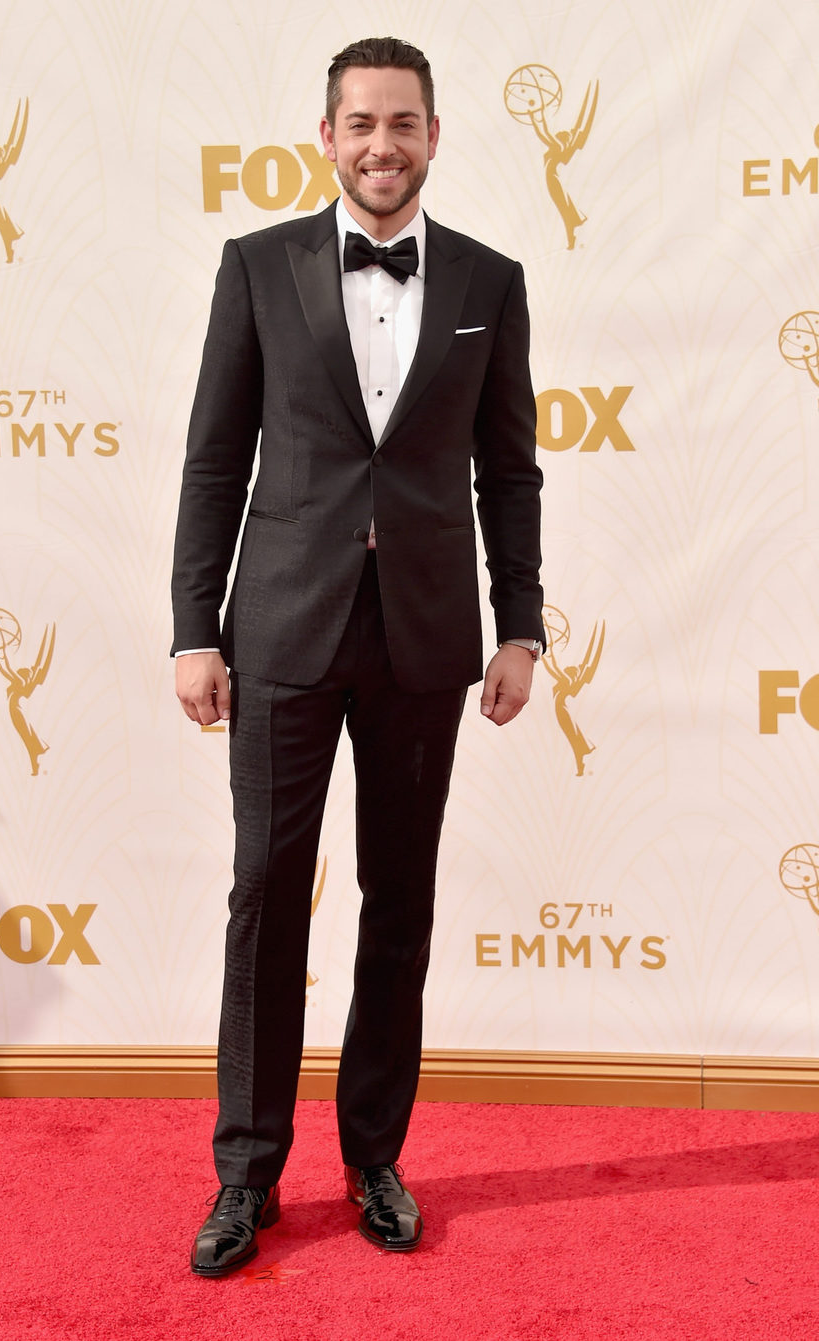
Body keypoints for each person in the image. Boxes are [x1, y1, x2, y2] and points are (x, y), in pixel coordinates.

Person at [171, 35, 544, 1276]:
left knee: (400, 906)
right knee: (266, 904)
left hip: (426, 638)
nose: (382, 144)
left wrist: (521, 621)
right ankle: (246, 1174)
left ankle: (375, 1156)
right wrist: (193, 627)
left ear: (436, 137)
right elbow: (217, 456)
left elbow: (508, 470)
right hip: (279, 626)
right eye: (360, 123)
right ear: (324, 138)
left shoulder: (493, 280)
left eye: (405, 122)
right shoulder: (258, 267)